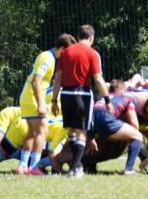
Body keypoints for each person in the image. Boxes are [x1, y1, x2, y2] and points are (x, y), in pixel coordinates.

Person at [51, 24, 111, 178]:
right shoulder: (92, 53)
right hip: (82, 94)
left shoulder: (65, 53)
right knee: (82, 132)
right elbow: (97, 78)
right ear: (91, 38)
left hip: (65, 94)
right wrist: (107, 99)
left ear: (78, 37)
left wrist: (53, 99)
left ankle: (76, 166)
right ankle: (75, 169)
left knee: (71, 131)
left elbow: (58, 78)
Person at [17, 34, 75, 175]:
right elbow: (36, 81)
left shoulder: (45, 56)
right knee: (42, 132)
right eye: (67, 52)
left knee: (32, 133)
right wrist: (41, 104)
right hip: (33, 99)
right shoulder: (48, 58)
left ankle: (23, 166)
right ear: (62, 48)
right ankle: (35, 167)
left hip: (26, 98)